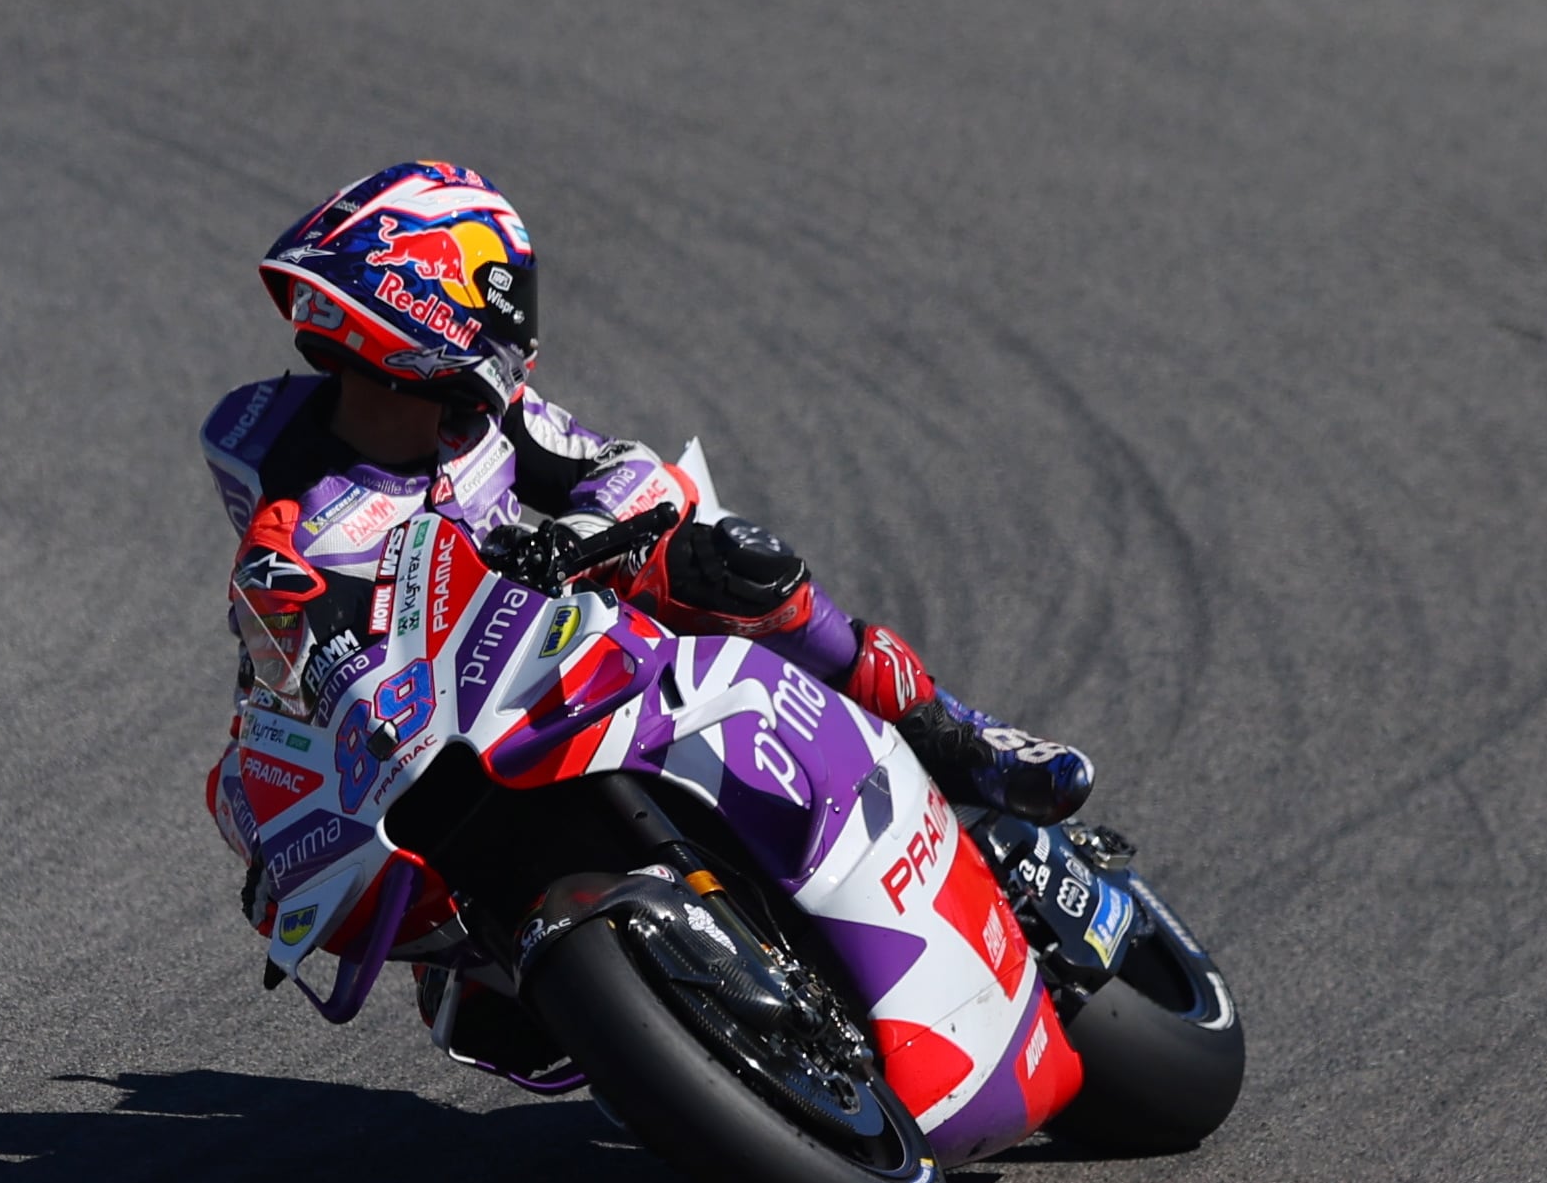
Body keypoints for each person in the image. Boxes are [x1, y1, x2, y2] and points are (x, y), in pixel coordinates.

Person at [198, 160, 1093, 877]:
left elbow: (633, 474)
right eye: (496, 291)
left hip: (566, 637)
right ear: (422, 295)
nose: (515, 326)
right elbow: (268, 647)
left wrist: (579, 537)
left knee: (732, 560)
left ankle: (952, 735)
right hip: (429, 723)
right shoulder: (278, 464)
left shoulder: (487, 418)